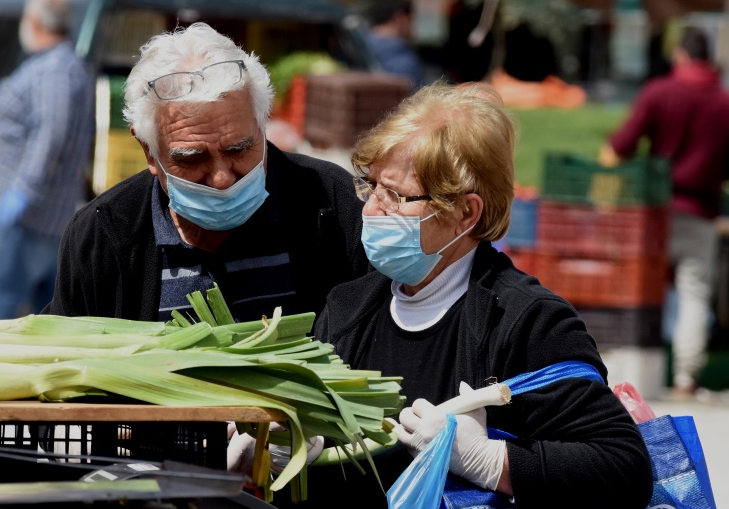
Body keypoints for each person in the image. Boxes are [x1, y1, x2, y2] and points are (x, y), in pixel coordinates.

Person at [300, 82, 652, 508]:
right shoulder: (346, 309)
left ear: (465, 213)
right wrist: (290, 451)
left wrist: (488, 461)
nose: (372, 210)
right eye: (371, 186)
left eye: (395, 196)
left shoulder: (527, 322)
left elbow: (624, 469)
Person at [44, 22, 369, 323]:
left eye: (239, 149)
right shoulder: (102, 237)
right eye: (191, 158)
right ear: (149, 152)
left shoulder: (333, 205)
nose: (222, 178)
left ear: (262, 125)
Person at [599, 26, 729, 398]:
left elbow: (620, 146)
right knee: (694, 295)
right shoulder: (724, 103)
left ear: (682, 56)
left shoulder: (659, 93)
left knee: (643, 290)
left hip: (654, 217)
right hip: (701, 214)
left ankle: (637, 375)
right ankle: (687, 380)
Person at [0, 0, 95, 319]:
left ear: (34, 21)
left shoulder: (54, 70)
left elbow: (51, 135)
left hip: (24, 219)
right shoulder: (54, 65)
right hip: (25, 217)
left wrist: (21, 194)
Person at [363, 0, 424, 92]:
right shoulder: (405, 60)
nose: (414, 26)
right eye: (412, 19)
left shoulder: (355, 48)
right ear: (399, 17)